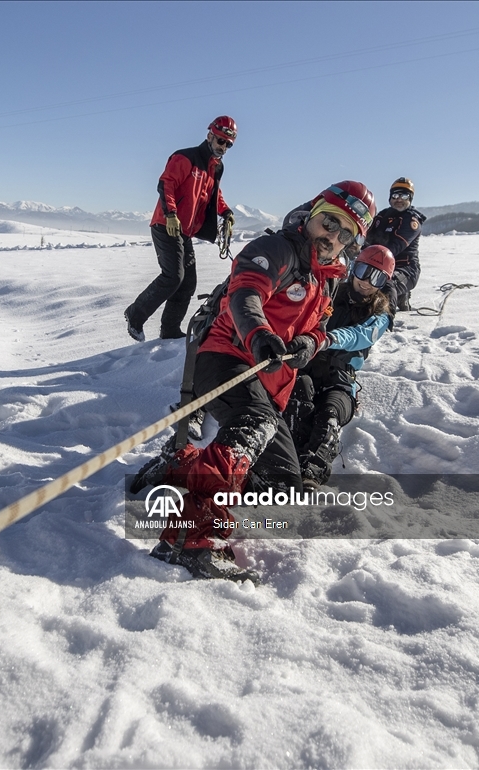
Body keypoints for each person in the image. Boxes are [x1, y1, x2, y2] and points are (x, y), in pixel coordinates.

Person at [144, 181, 377, 581]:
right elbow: (245, 293)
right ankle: (187, 539)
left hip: (269, 384)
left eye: (345, 233)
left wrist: (309, 342)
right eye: (329, 222)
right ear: (313, 214)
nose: (332, 236)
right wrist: (258, 334)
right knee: (255, 424)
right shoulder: (279, 250)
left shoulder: (328, 279)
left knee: (279, 483)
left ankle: (180, 466)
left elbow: (320, 326)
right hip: (226, 357)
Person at [284, 245, 396, 490]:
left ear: (383, 283)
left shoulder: (380, 314)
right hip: (308, 368)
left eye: (376, 277)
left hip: (341, 378)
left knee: (330, 412)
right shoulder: (332, 292)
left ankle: (313, 471)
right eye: (364, 270)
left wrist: (329, 339)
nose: (366, 281)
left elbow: (361, 335)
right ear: (354, 267)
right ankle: (286, 461)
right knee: (297, 398)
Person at [125, 117, 237, 342]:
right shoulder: (185, 157)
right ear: (209, 136)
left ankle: (169, 331)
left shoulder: (215, 167)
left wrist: (225, 212)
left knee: (188, 283)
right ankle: (135, 314)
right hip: (166, 224)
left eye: (228, 144)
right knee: (173, 276)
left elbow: (214, 195)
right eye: (220, 141)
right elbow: (166, 184)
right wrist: (171, 215)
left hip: (184, 231)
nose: (223, 147)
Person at [364, 177, 425, 311]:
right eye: (395, 195)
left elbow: (394, 247)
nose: (399, 199)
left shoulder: (412, 221)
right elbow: (367, 236)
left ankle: (385, 318)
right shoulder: (382, 216)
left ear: (410, 198)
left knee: (383, 284)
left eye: (404, 195)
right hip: (379, 265)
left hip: (405, 268)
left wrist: (368, 256)